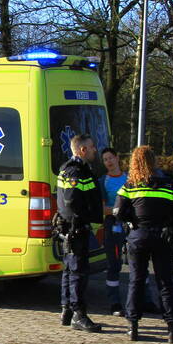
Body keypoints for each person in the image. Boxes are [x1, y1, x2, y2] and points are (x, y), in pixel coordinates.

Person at [114, 145, 173, 343]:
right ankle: (172, 329)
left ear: (134, 163)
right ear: (153, 161)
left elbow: (118, 212)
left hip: (137, 238)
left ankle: (133, 327)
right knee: (165, 283)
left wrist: (131, 222)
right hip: (162, 237)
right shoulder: (170, 184)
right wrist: (170, 224)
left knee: (136, 281)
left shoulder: (130, 186)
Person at [98, 148, 156, 316]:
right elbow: (103, 209)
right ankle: (115, 303)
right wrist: (120, 210)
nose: (108, 162)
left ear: (117, 158)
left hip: (132, 226)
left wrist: (123, 211)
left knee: (139, 264)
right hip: (112, 227)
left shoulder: (130, 179)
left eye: (110, 158)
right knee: (114, 265)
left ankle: (146, 300)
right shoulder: (103, 181)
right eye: (105, 159)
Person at [56, 133, 104, 332]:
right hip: (76, 228)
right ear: (83, 149)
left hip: (71, 228)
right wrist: (83, 220)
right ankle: (78, 314)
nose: (95, 150)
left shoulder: (68, 168)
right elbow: (72, 201)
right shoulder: (77, 172)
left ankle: (66, 310)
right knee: (78, 272)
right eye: (92, 147)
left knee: (69, 270)